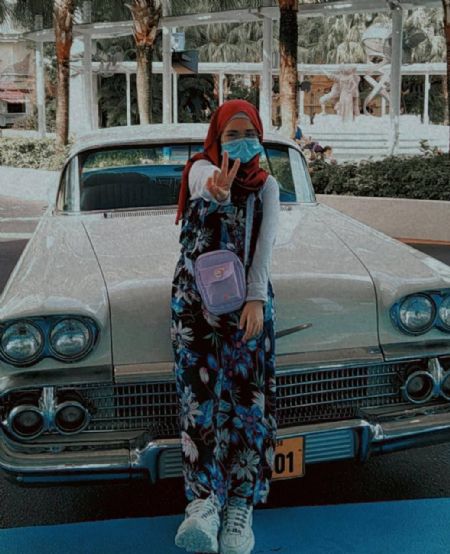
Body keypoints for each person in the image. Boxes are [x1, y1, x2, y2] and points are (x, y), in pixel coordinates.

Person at [171, 99, 280, 554]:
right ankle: (203, 503)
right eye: (231, 135)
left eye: (248, 133)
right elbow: (204, 184)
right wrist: (216, 189)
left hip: (247, 307)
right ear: (216, 138)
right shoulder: (200, 170)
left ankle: (239, 504)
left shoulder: (267, 186)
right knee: (199, 400)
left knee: (246, 402)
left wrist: (255, 299)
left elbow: (265, 247)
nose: (241, 142)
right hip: (195, 306)